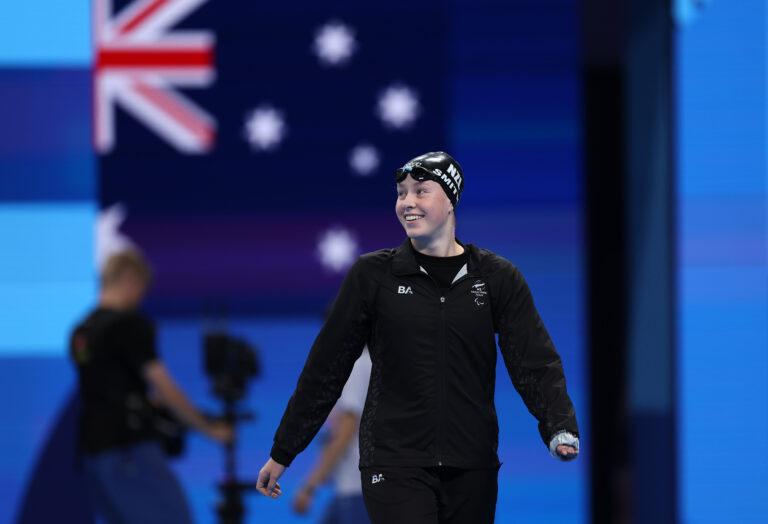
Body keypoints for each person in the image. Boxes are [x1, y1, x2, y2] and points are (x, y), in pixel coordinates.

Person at [256, 152, 580, 524]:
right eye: (401, 193)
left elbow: (533, 360)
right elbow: (325, 369)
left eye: (420, 191)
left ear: (451, 199)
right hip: (393, 463)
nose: (407, 202)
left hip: (472, 465)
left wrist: (559, 425)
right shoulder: (372, 275)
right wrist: (284, 451)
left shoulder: (497, 278)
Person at [70, 250, 233, 524]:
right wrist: (209, 428)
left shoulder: (80, 333)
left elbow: (108, 388)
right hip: (129, 452)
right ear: (130, 279)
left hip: (94, 457)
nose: (141, 298)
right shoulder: (129, 326)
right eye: (141, 288)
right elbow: (165, 388)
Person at [292, 348, 372, 524]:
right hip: (352, 486)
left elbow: (347, 431)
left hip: (357, 488)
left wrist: (310, 486)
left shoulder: (357, 366)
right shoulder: (367, 363)